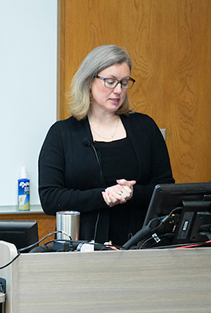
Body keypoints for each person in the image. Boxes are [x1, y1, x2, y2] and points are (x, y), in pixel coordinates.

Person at [38, 45, 174, 247]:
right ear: (88, 81)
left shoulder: (145, 127)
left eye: (125, 82)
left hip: (141, 247)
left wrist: (132, 193)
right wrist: (103, 196)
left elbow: (166, 190)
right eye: (110, 82)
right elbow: (50, 199)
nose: (118, 90)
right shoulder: (62, 133)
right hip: (83, 250)